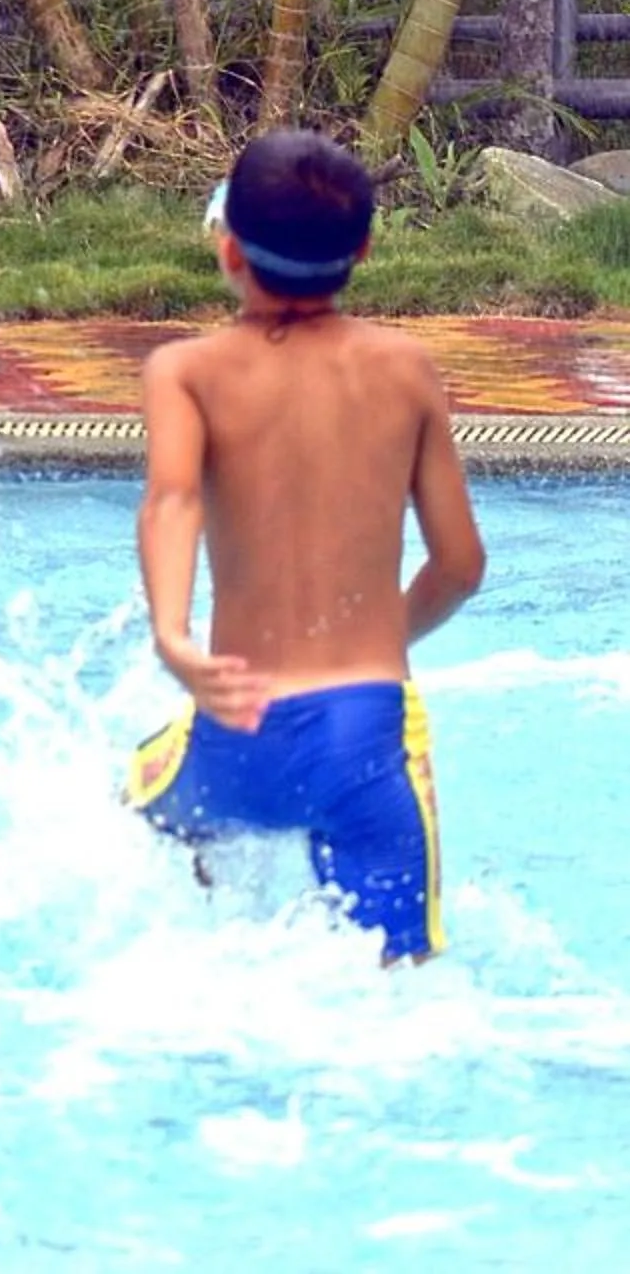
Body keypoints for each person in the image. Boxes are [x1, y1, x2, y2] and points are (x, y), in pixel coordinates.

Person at [125, 127, 486, 963]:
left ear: (228, 248)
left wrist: (175, 638)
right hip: (368, 736)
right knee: (401, 979)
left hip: (235, 724)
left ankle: (214, 959)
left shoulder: (185, 372)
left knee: (133, 813)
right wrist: (383, 638)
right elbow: (461, 566)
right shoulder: (408, 370)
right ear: (363, 249)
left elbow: (172, 499)